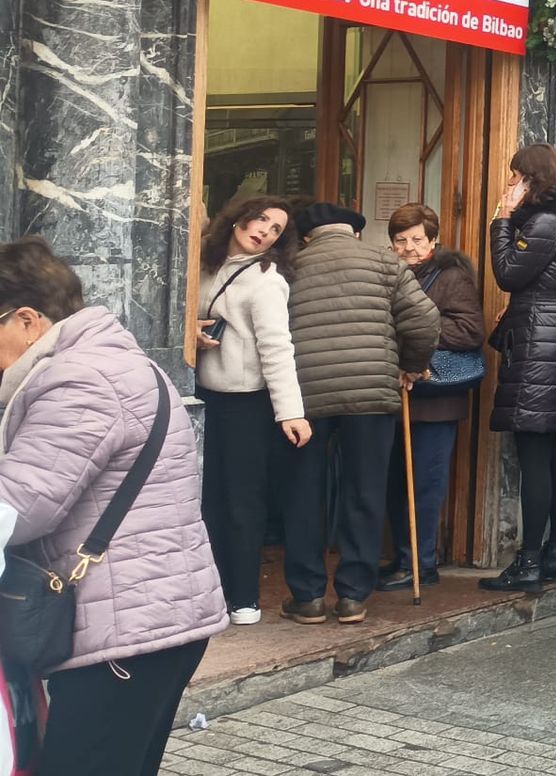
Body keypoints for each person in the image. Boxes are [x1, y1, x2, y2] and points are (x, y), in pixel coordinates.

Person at [0, 238, 226, 774]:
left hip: (126, 635)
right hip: (146, 620)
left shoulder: (81, 378)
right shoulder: (106, 363)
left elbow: (20, 504)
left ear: (27, 320)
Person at [284, 203, 440, 624]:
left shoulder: (290, 265)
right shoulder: (383, 262)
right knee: (364, 492)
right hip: (372, 394)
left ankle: (308, 597)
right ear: (353, 233)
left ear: (307, 236)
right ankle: (353, 596)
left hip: (304, 397)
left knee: (303, 494)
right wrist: (411, 363)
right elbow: (424, 319)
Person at [482, 143, 556, 593]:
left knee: (535, 456)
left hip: (539, 345)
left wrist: (500, 220)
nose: (509, 185)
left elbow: (508, 273)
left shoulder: (546, 222)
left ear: (531, 179)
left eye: (514, 177)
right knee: (554, 455)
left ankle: (529, 559)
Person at [194, 195, 307, 626]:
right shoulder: (206, 263)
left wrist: (290, 412)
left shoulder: (266, 279)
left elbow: (277, 348)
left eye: (275, 229)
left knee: (241, 503)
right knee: (206, 502)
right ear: (238, 217)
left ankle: (243, 597)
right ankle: (210, 593)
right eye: (260, 219)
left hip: (246, 403)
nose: (264, 230)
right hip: (206, 398)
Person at [379, 204, 484, 593]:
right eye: (400, 240)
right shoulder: (389, 275)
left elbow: (469, 330)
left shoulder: (451, 277)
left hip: (435, 399)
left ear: (433, 240)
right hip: (397, 396)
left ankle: (420, 564)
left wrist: (415, 334)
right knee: (396, 483)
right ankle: (403, 558)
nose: (408, 247)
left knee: (424, 485)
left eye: (417, 240)